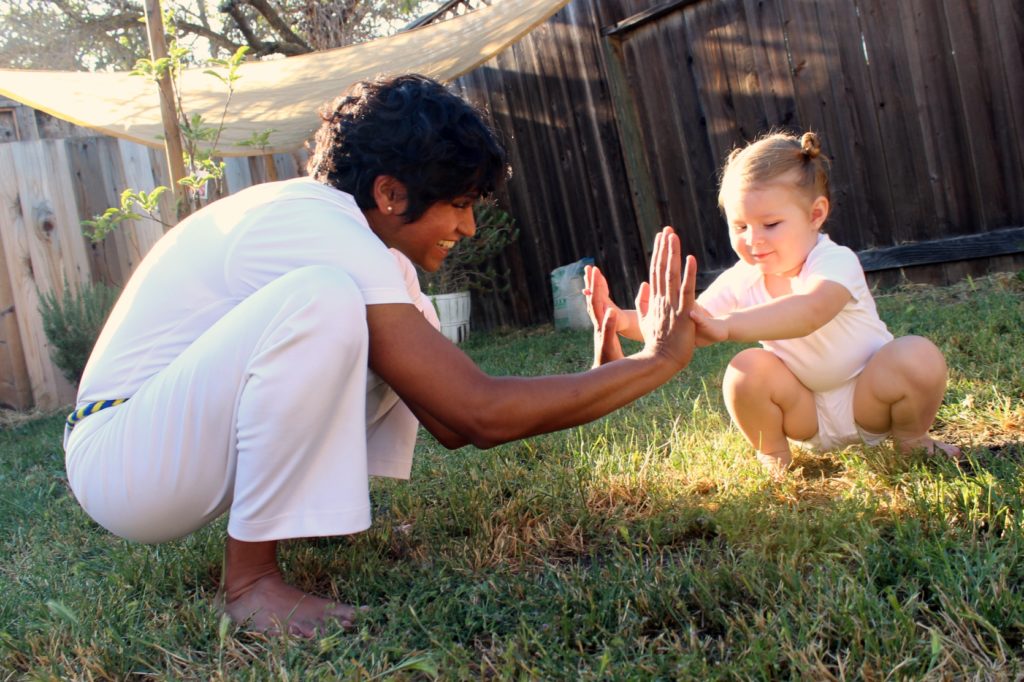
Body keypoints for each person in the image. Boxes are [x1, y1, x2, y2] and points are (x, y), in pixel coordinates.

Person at [63, 74, 697, 637]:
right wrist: (655, 363)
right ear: (391, 193)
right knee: (323, 300)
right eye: (459, 204)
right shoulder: (316, 226)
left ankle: (311, 517)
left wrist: (605, 374)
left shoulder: (376, 256)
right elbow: (477, 411)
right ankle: (250, 586)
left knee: (390, 330)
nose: (469, 229)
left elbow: (451, 418)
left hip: (168, 452)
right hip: (122, 456)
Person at [585, 131, 958, 475]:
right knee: (745, 369)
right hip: (805, 412)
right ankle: (775, 455)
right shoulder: (743, 277)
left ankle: (910, 440)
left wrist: (730, 325)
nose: (753, 240)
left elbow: (810, 311)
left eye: (770, 224)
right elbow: (689, 324)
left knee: (917, 355)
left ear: (815, 215)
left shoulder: (834, 261)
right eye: (741, 226)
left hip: (869, 397)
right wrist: (623, 321)